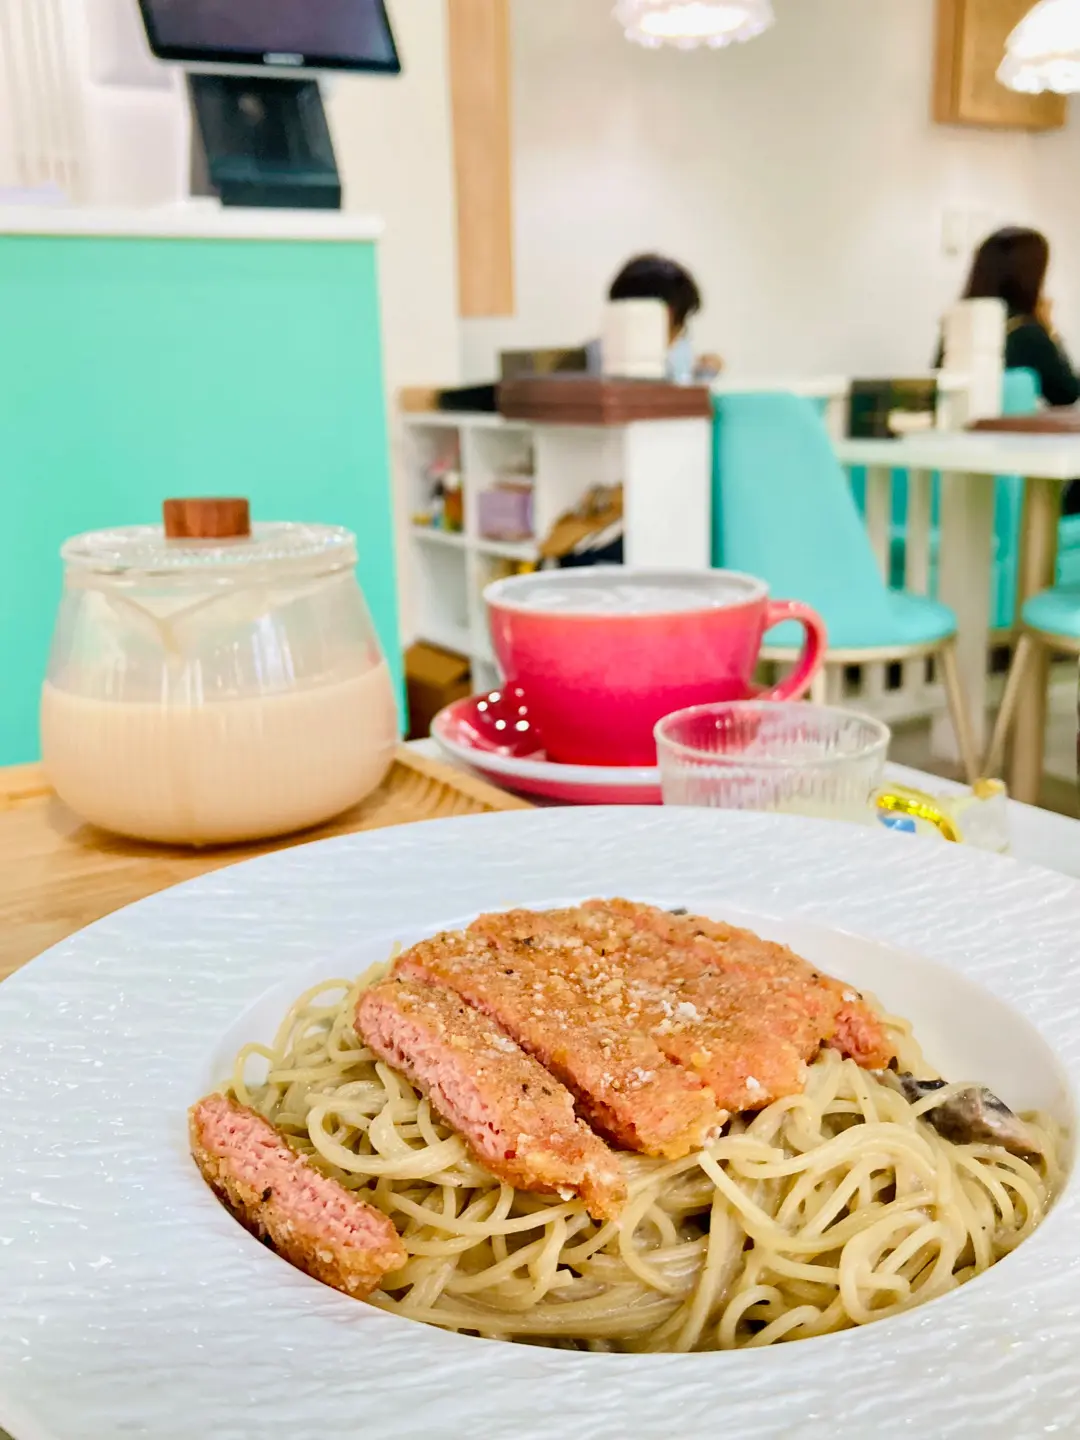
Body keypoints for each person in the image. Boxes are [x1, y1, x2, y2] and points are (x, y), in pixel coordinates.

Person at [940, 227, 1079, 407]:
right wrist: (1049, 329)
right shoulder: (1028, 332)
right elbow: (1067, 393)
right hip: (1006, 424)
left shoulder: (958, 323)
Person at [589, 253, 723, 381]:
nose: (678, 336)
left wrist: (705, 371)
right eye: (679, 324)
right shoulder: (592, 364)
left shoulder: (671, 358)